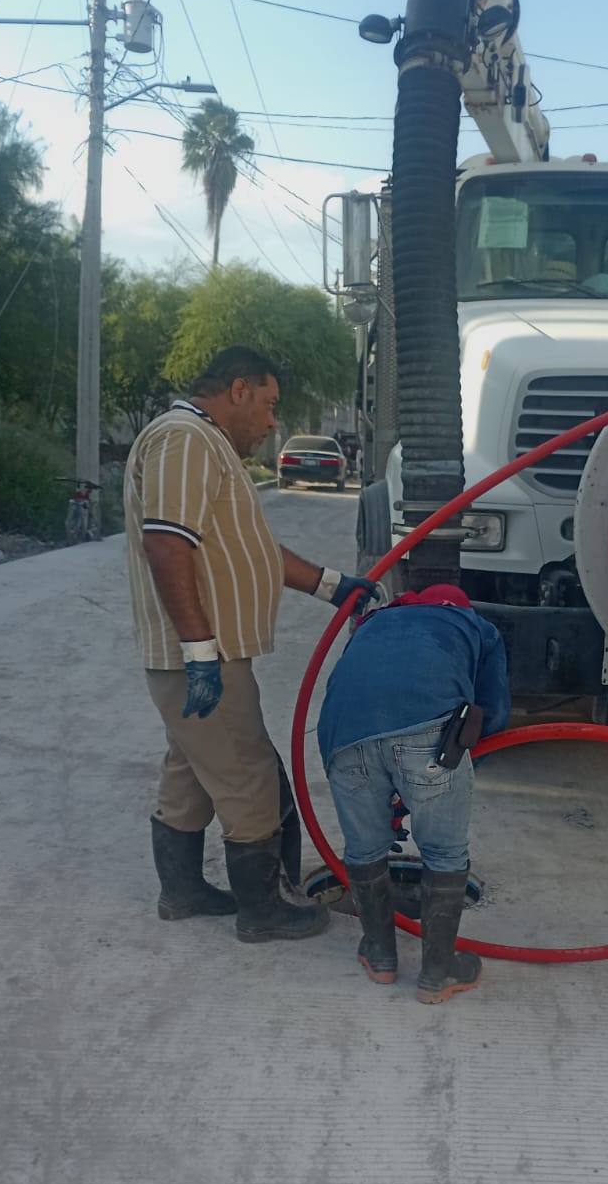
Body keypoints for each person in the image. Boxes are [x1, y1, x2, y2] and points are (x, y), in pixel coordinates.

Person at [124, 346, 378, 943]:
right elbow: (166, 544)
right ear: (238, 389)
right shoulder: (184, 438)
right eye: (267, 405)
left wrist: (334, 586)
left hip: (200, 653)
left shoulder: (205, 444)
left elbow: (252, 551)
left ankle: (182, 892)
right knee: (249, 773)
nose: (270, 423)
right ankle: (263, 911)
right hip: (198, 656)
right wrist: (199, 652)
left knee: (192, 768)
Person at [317, 585, 511, 1003]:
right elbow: (493, 713)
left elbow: (353, 689)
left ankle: (380, 957)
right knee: (444, 852)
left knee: (364, 848)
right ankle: (438, 973)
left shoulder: (373, 622)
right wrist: (457, 766)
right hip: (428, 734)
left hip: (343, 736)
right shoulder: (475, 626)